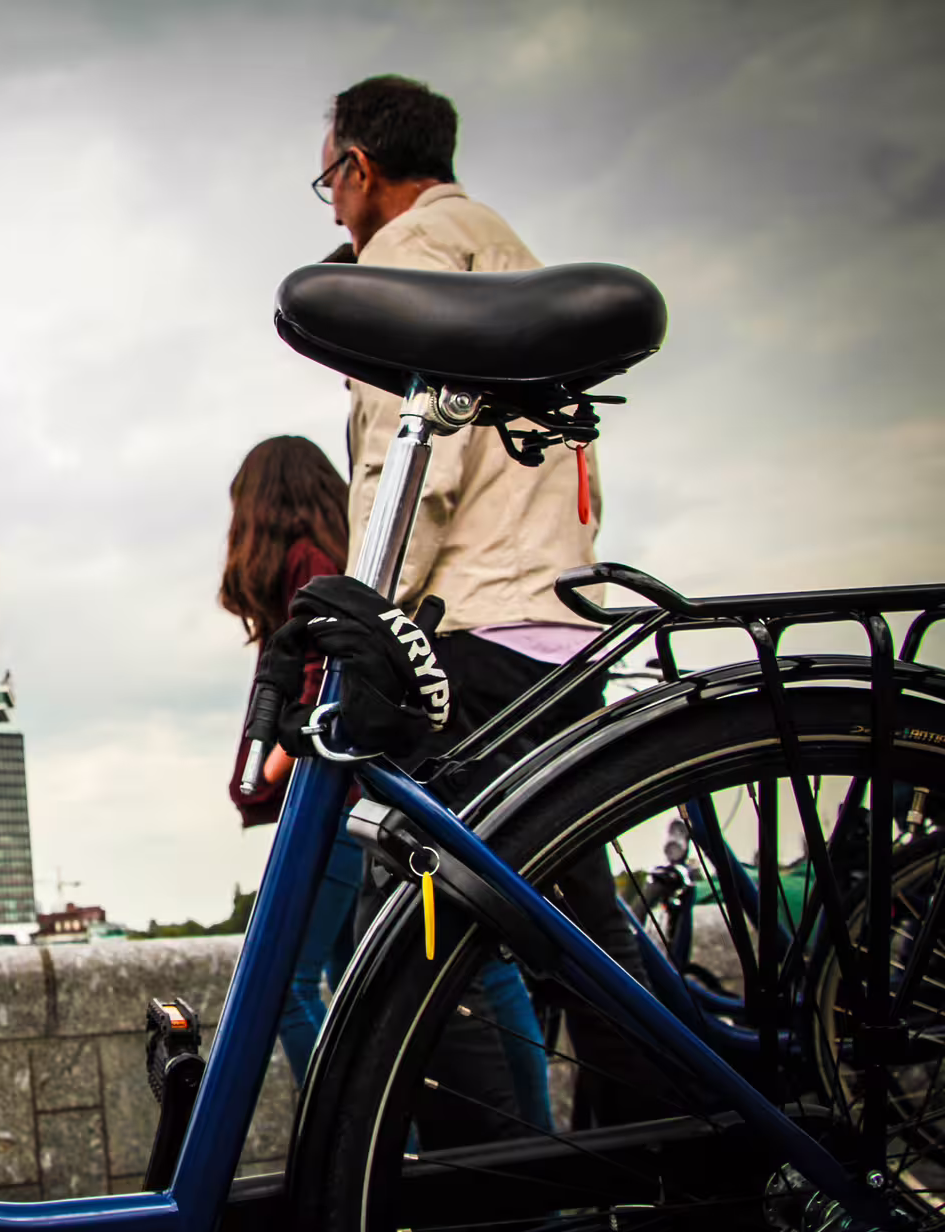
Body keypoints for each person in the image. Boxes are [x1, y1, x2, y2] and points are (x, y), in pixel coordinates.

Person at [318, 76, 654, 1134]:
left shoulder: (409, 253)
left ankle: (491, 1213)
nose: (332, 205)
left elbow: (412, 466)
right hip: (561, 629)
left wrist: (362, 621)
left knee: (415, 934)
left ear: (362, 168)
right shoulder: (508, 247)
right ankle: (678, 1154)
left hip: (478, 634)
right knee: (580, 929)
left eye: (328, 180)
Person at [219, 436, 367, 1085]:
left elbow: (323, 673)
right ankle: (387, 1150)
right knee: (346, 984)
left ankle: (350, 1147)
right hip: (347, 801)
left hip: (328, 800)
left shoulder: (308, 564)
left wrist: (276, 763)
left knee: (288, 989)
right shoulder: (330, 556)